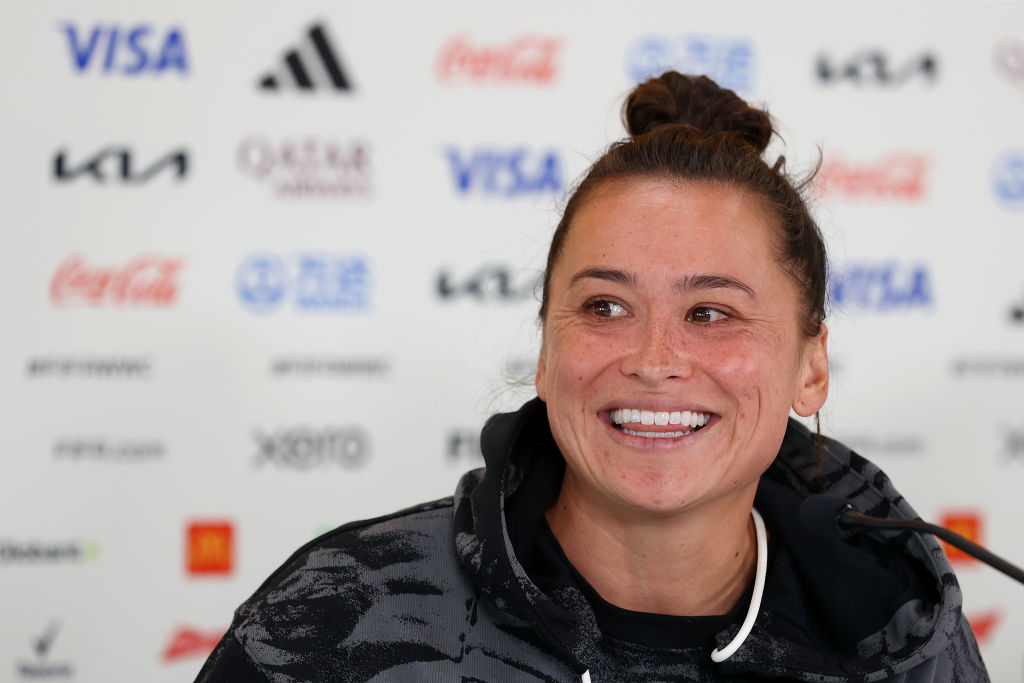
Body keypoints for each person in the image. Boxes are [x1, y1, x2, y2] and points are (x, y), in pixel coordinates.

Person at [196, 72, 988, 682]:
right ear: (545, 349)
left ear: (810, 365)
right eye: (605, 306)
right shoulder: (337, 612)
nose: (651, 358)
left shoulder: (905, 639)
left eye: (711, 313)